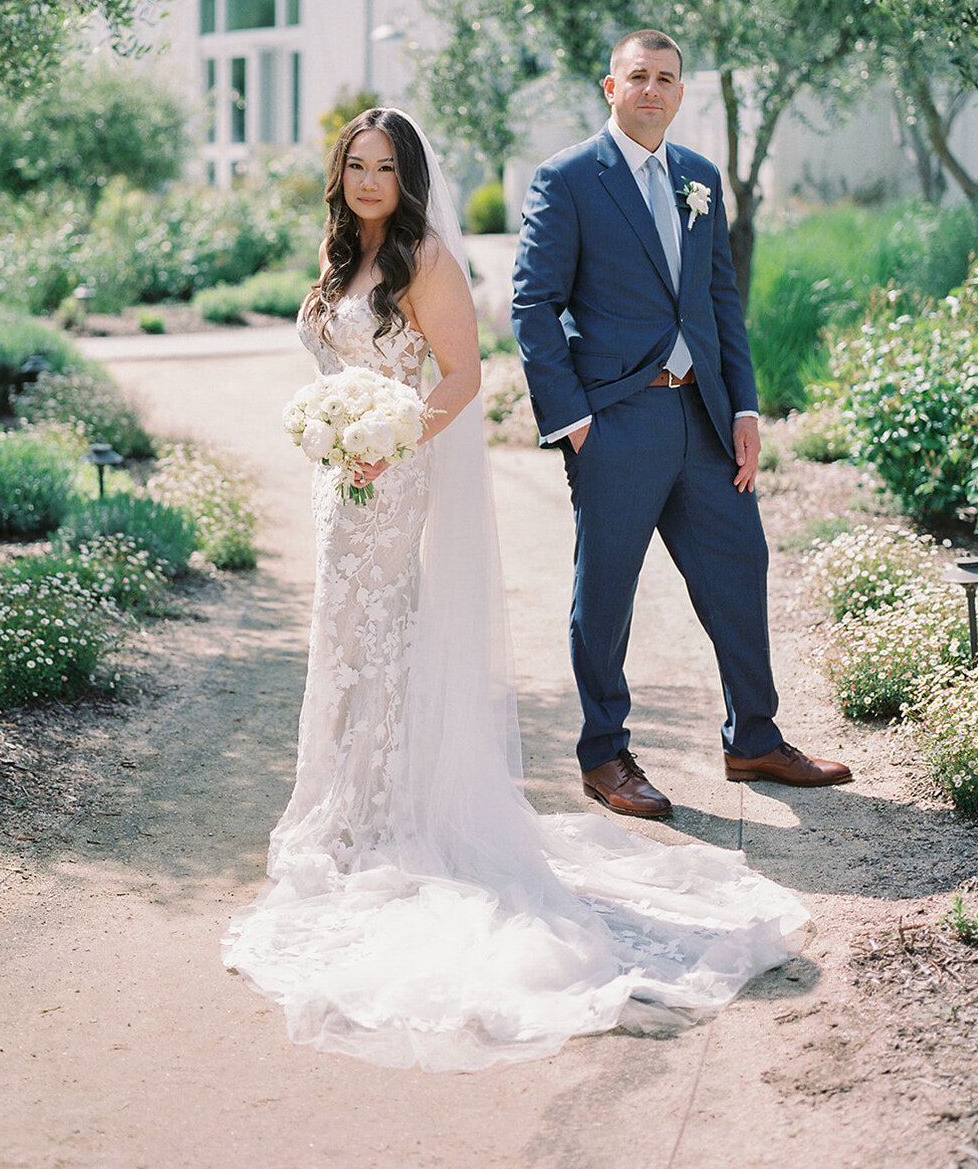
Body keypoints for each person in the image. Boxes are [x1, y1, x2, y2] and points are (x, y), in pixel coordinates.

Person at [222, 104, 809, 1072]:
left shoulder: (428, 261)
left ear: (408, 178)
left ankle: (404, 810)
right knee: (349, 638)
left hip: (392, 474)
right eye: (356, 166)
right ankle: (353, 810)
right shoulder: (337, 264)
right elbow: (337, 363)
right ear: (341, 176)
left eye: (385, 168)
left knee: (387, 630)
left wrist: (389, 436)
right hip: (344, 488)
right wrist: (335, 434)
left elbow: (464, 372)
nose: (370, 181)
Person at [511, 30, 852, 823]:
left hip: (702, 415)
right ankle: (604, 754)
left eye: (667, 78)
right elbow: (533, 305)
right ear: (610, 87)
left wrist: (742, 406)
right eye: (639, 76)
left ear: (681, 90)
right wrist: (575, 421)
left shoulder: (699, 176)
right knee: (607, 590)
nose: (653, 89)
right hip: (617, 421)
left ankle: (754, 738)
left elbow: (717, 300)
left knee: (741, 560)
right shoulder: (566, 179)